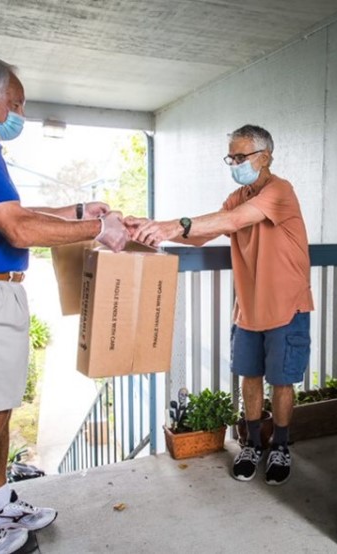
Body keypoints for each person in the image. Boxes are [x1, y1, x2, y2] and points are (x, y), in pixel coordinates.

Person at [0, 56, 128, 554]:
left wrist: (78, 212)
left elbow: (16, 212)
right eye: (15, 102)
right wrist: (97, 229)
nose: (19, 111)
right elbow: (19, 229)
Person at [126, 124, 313, 486]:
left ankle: (281, 445)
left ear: (265, 157)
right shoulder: (236, 196)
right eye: (232, 157)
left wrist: (172, 225)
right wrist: (150, 230)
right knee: (249, 378)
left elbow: (235, 221)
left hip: (288, 306)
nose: (235, 163)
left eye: (241, 156)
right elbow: (206, 234)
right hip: (248, 308)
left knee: (283, 382)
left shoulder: (280, 191)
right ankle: (253, 444)